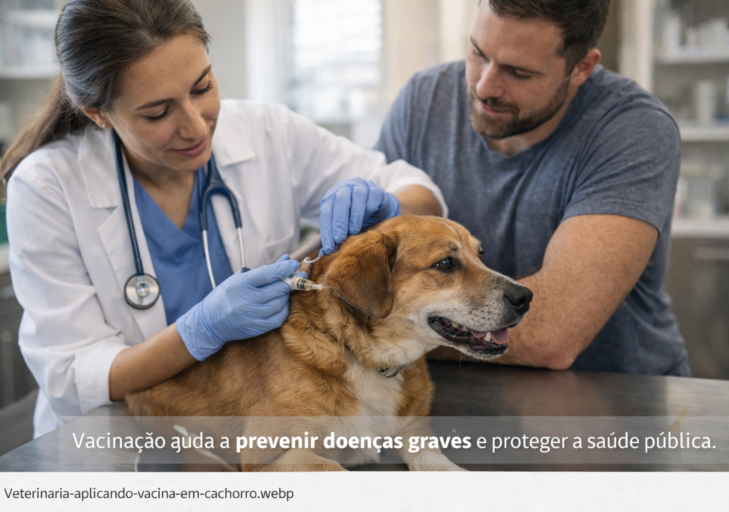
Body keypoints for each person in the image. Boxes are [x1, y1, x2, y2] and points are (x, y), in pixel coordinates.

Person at [1, 0, 446, 438]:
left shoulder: (268, 132)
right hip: (122, 444)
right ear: (97, 113)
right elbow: (71, 376)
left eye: (202, 87)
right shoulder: (46, 187)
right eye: (158, 112)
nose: (196, 126)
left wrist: (388, 207)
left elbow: (417, 189)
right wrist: (201, 330)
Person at [375, 0, 690, 375]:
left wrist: (376, 332)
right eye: (478, 52)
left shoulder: (631, 129)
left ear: (581, 68)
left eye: (519, 72)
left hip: (611, 401)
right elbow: (377, 266)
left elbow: (551, 333)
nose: (485, 86)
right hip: (459, 389)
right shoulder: (422, 103)